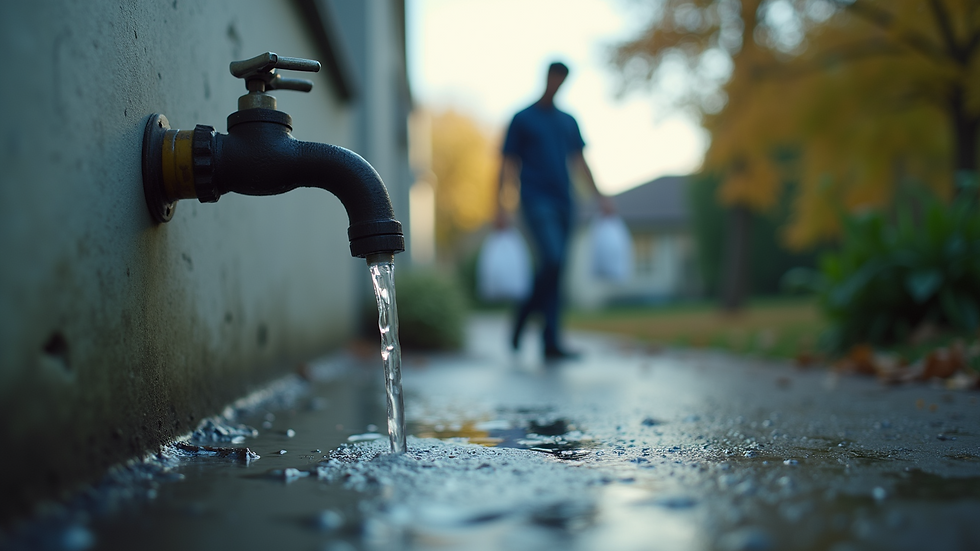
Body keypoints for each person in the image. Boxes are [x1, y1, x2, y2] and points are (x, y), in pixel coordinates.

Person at [495, 61, 613, 360]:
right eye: (555, 78)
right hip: (535, 201)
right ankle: (523, 319)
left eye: (563, 80)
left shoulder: (568, 121)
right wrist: (500, 206)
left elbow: (579, 160)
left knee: (558, 270)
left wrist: (601, 196)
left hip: (565, 202)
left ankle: (551, 342)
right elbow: (507, 164)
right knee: (552, 257)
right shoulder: (522, 119)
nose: (557, 84)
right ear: (547, 77)